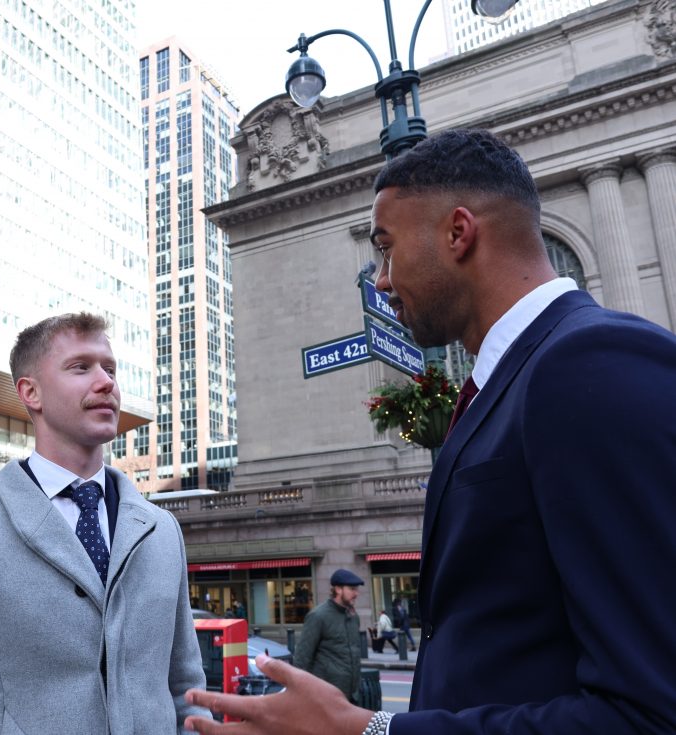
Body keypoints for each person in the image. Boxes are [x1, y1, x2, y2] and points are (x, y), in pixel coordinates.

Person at [182, 129, 676, 734]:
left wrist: (367, 731)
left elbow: (652, 711)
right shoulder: (509, 384)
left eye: (386, 250)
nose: (382, 281)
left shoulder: (589, 362)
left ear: (458, 232)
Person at [0, 312, 208, 733]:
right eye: (81, 367)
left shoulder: (162, 530)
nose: (106, 382)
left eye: (110, 369)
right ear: (30, 392)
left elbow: (185, 689)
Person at [292, 569, 363, 703]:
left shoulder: (353, 617)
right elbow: (302, 658)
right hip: (326, 696)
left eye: (356, 589)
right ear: (338, 589)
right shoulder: (318, 616)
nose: (356, 593)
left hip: (352, 695)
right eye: (352, 589)